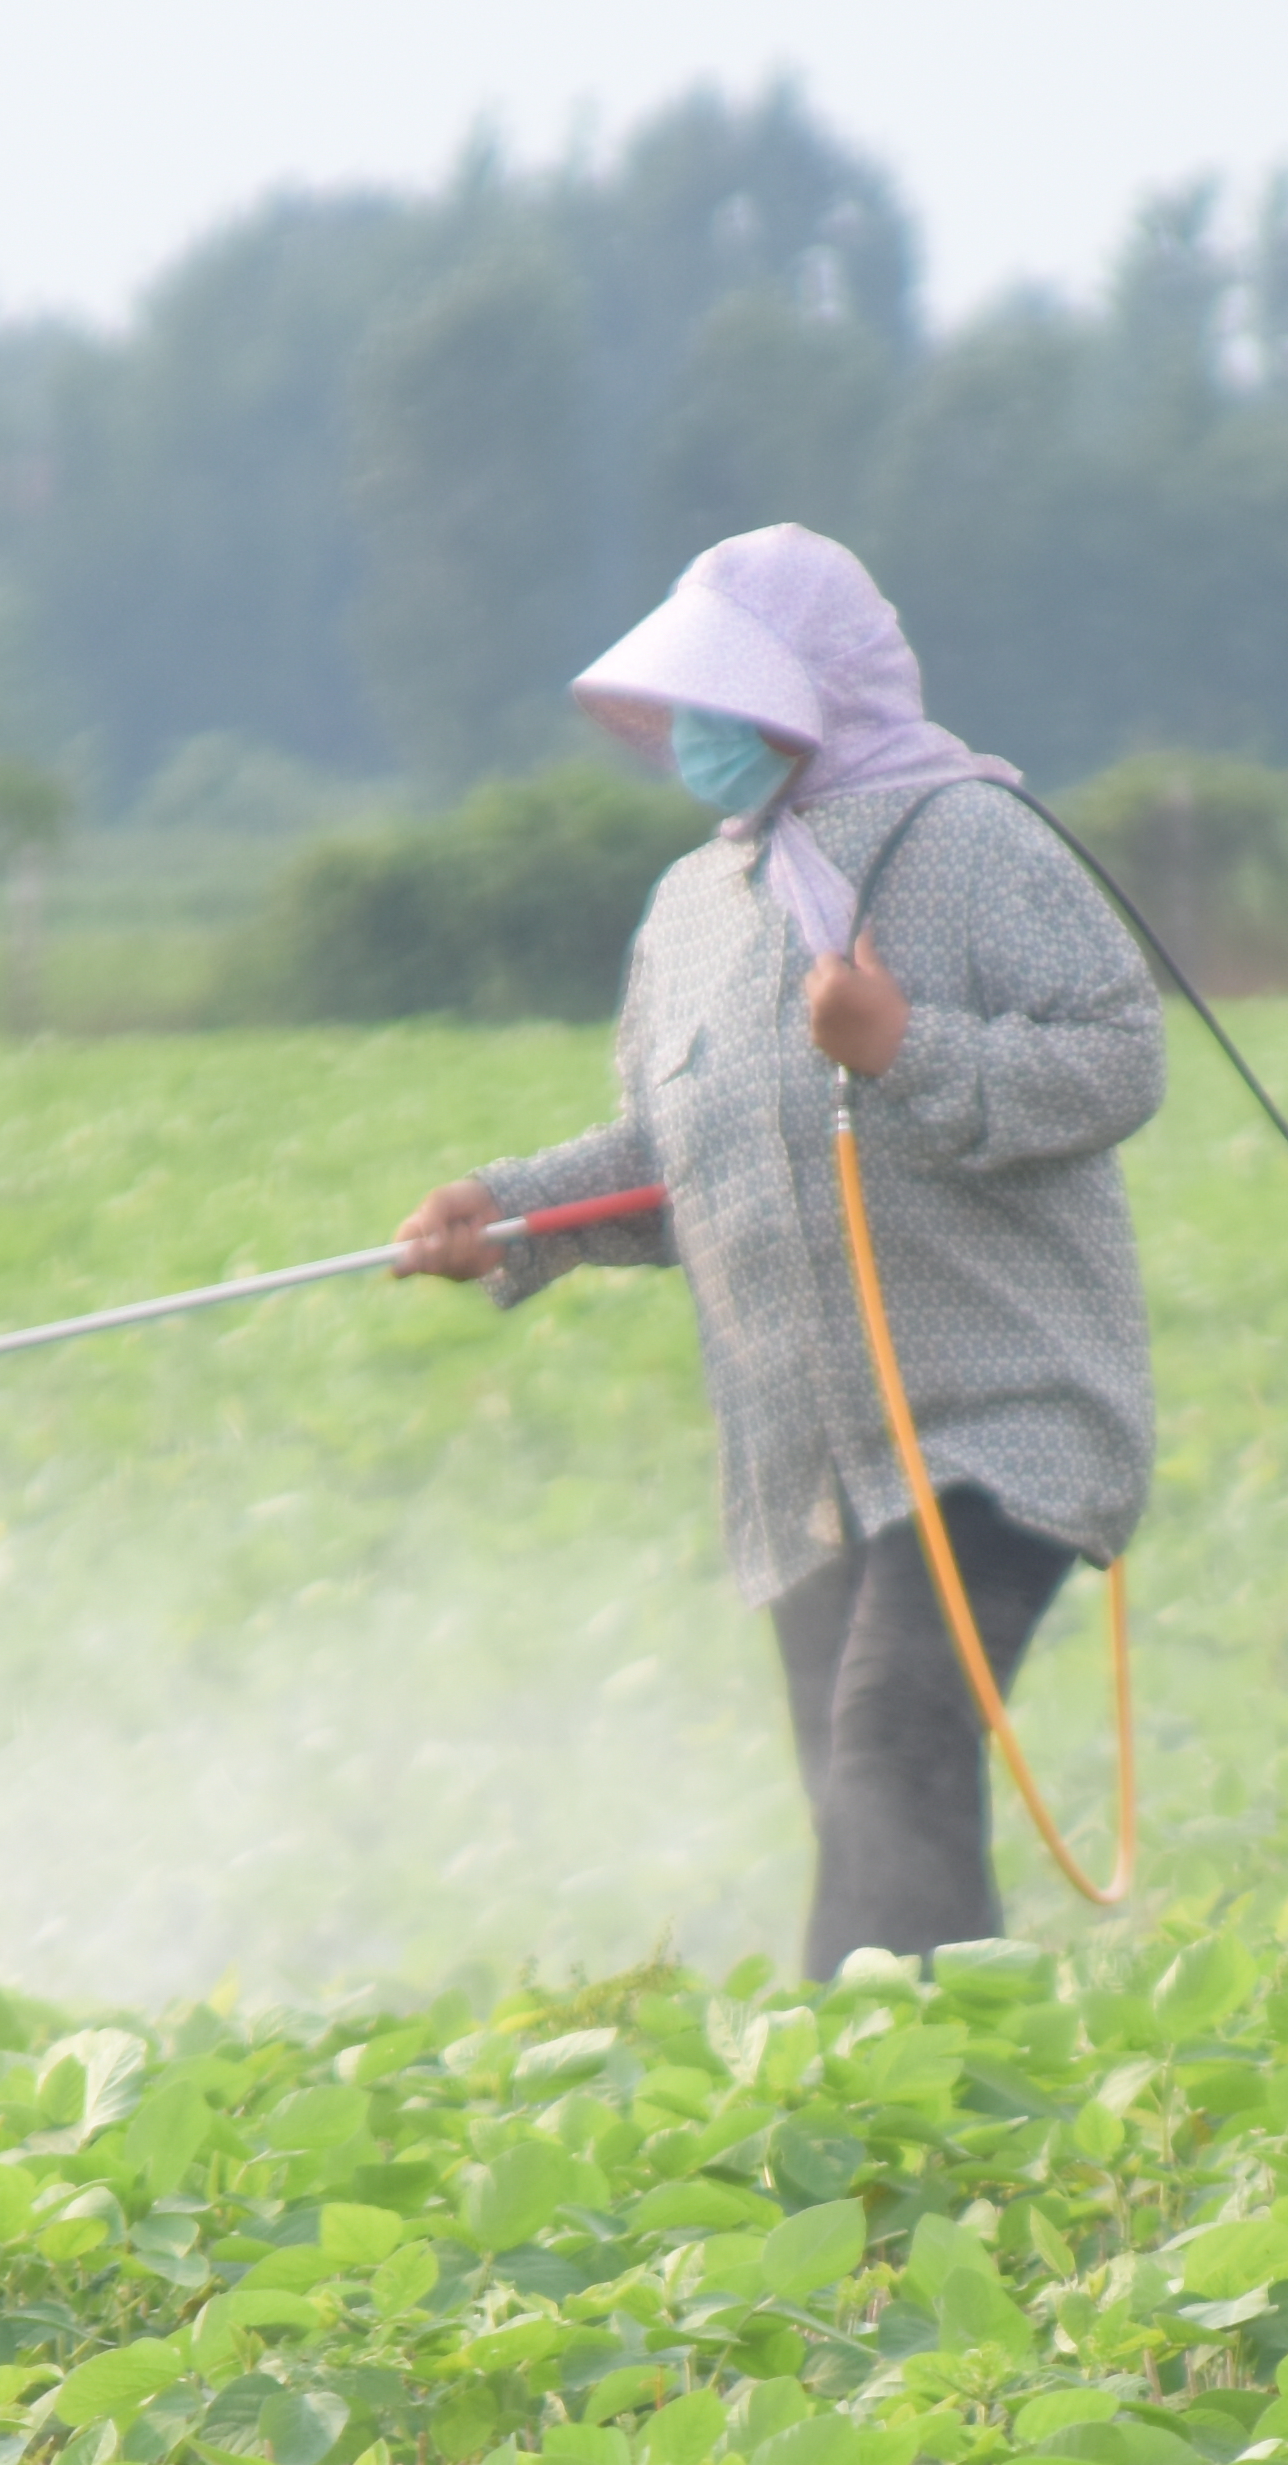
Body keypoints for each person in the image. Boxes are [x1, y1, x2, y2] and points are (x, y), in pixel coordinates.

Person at [398, 524, 1161, 1981]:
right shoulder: (691, 911)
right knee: (870, 1799)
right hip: (809, 1461)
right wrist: (497, 1216)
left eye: (731, 701)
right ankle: (936, 2116)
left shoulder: (974, 841)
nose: (700, 737)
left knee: (889, 1752)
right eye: (688, 705)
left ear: (823, 689)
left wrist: (905, 1049)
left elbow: (1119, 1061)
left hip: (1001, 1425)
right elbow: (672, 1168)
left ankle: (859, 2101)